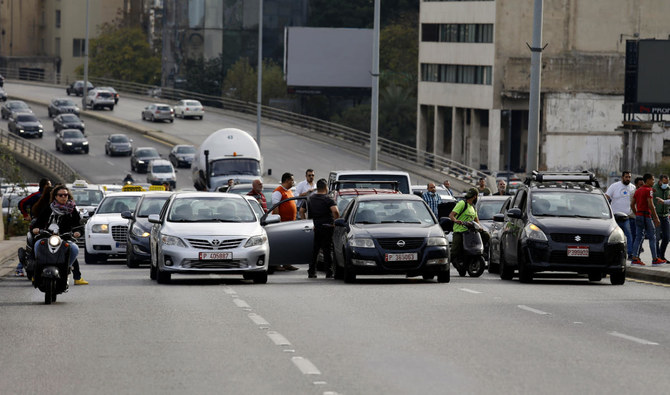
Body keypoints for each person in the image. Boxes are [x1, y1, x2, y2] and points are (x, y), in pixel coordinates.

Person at [31, 185, 89, 283]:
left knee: (73, 249)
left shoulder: (72, 210)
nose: (63, 197)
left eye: (65, 195)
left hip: (65, 237)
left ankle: (68, 269)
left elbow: (78, 224)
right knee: (37, 246)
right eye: (60, 195)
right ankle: (36, 273)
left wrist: (77, 232)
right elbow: (39, 222)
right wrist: (36, 228)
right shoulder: (49, 208)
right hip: (47, 237)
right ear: (55, 196)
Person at [299, 178, 339, 278]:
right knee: (326, 250)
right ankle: (329, 272)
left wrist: (305, 223)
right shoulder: (328, 198)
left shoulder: (310, 198)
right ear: (326, 187)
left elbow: (301, 211)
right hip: (327, 227)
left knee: (315, 250)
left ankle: (312, 271)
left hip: (314, 227)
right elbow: (335, 211)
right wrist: (336, 222)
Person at [15, 178, 51, 276]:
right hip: (36, 224)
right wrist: (26, 215)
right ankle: (20, 268)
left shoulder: (52, 198)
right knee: (32, 245)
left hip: (49, 225)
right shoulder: (36, 196)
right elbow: (21, 203)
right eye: (49, 185)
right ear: (45, 186)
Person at [448, 188, 490, 265]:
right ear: (475, 196)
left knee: (486, 235)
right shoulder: (462, 204)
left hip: (471, 232)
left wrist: (480, 228)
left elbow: (476, 220)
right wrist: (456, 220)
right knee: (454, 251)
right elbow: (451, 215)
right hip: (460, 231)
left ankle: (480, 252)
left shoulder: (473, 207)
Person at [630, 173, 664, 266]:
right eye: (652, 179)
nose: (654, 181)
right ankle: (655, 259)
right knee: (652, 237)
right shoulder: (649, 190)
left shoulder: (638, 190)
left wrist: (637, 213)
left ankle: (634, 258)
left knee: (638, 237)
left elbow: (632, 204)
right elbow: (650, 205)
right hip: (646, 216)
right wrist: (656, 217)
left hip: (639, 215)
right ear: (648, 180)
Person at [605, 171, 637, 259]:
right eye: (626, 177)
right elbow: (606, 197)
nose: (628, 179)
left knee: (629, 236)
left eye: (629, 177)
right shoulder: (614, 186)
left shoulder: (633, 188)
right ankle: (613, 254)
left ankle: (630, 254)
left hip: (627, 216)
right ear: (622, 177)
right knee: (614, 237)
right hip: (615, 217)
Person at [271, 172, 298, 271]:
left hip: (290, 224)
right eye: (292, 180)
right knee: (280, 245)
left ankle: (287, 263)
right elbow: (276, 207)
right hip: (282, 224)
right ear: (287, 180)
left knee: (289, 245)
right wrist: (278, 221)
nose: (293, 182)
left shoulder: (289, 191)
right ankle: (277, 264)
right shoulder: (278, 192)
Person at [652, 174, 670, 263]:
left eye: (667, 182)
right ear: (660, 181)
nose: (666, 184)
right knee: (657, 237)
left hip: (665, 216)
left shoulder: (668, 189)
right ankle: (657, 256)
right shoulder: (654, 188)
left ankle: (662, 255)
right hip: (656, 215)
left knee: (667, 237)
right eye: (664, 182)